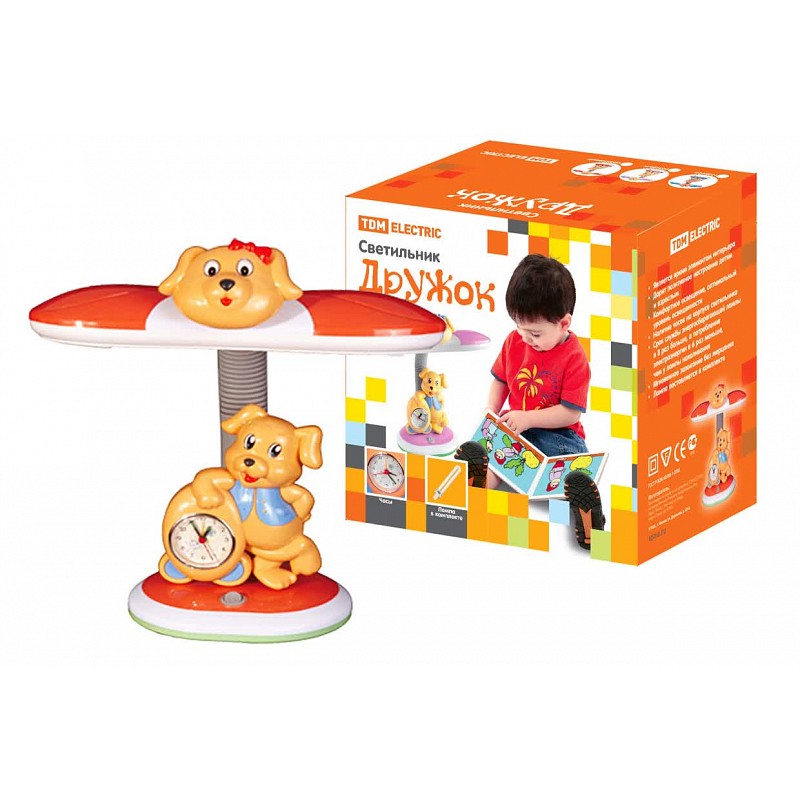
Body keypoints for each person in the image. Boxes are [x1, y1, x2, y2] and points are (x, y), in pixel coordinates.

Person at [484, 253, 604, 549]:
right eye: (519, 328)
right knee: (494, 458)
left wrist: (529, 418)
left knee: (569, 469)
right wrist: (491, 410)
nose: (526, 338)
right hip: (517, 429)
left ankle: (586, 512)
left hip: (558, 434)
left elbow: (570, 414)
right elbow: (500, 380)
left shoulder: (575, 358)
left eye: (535, 333)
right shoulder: (515, 341)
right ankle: (475, 488)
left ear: (564, 323)